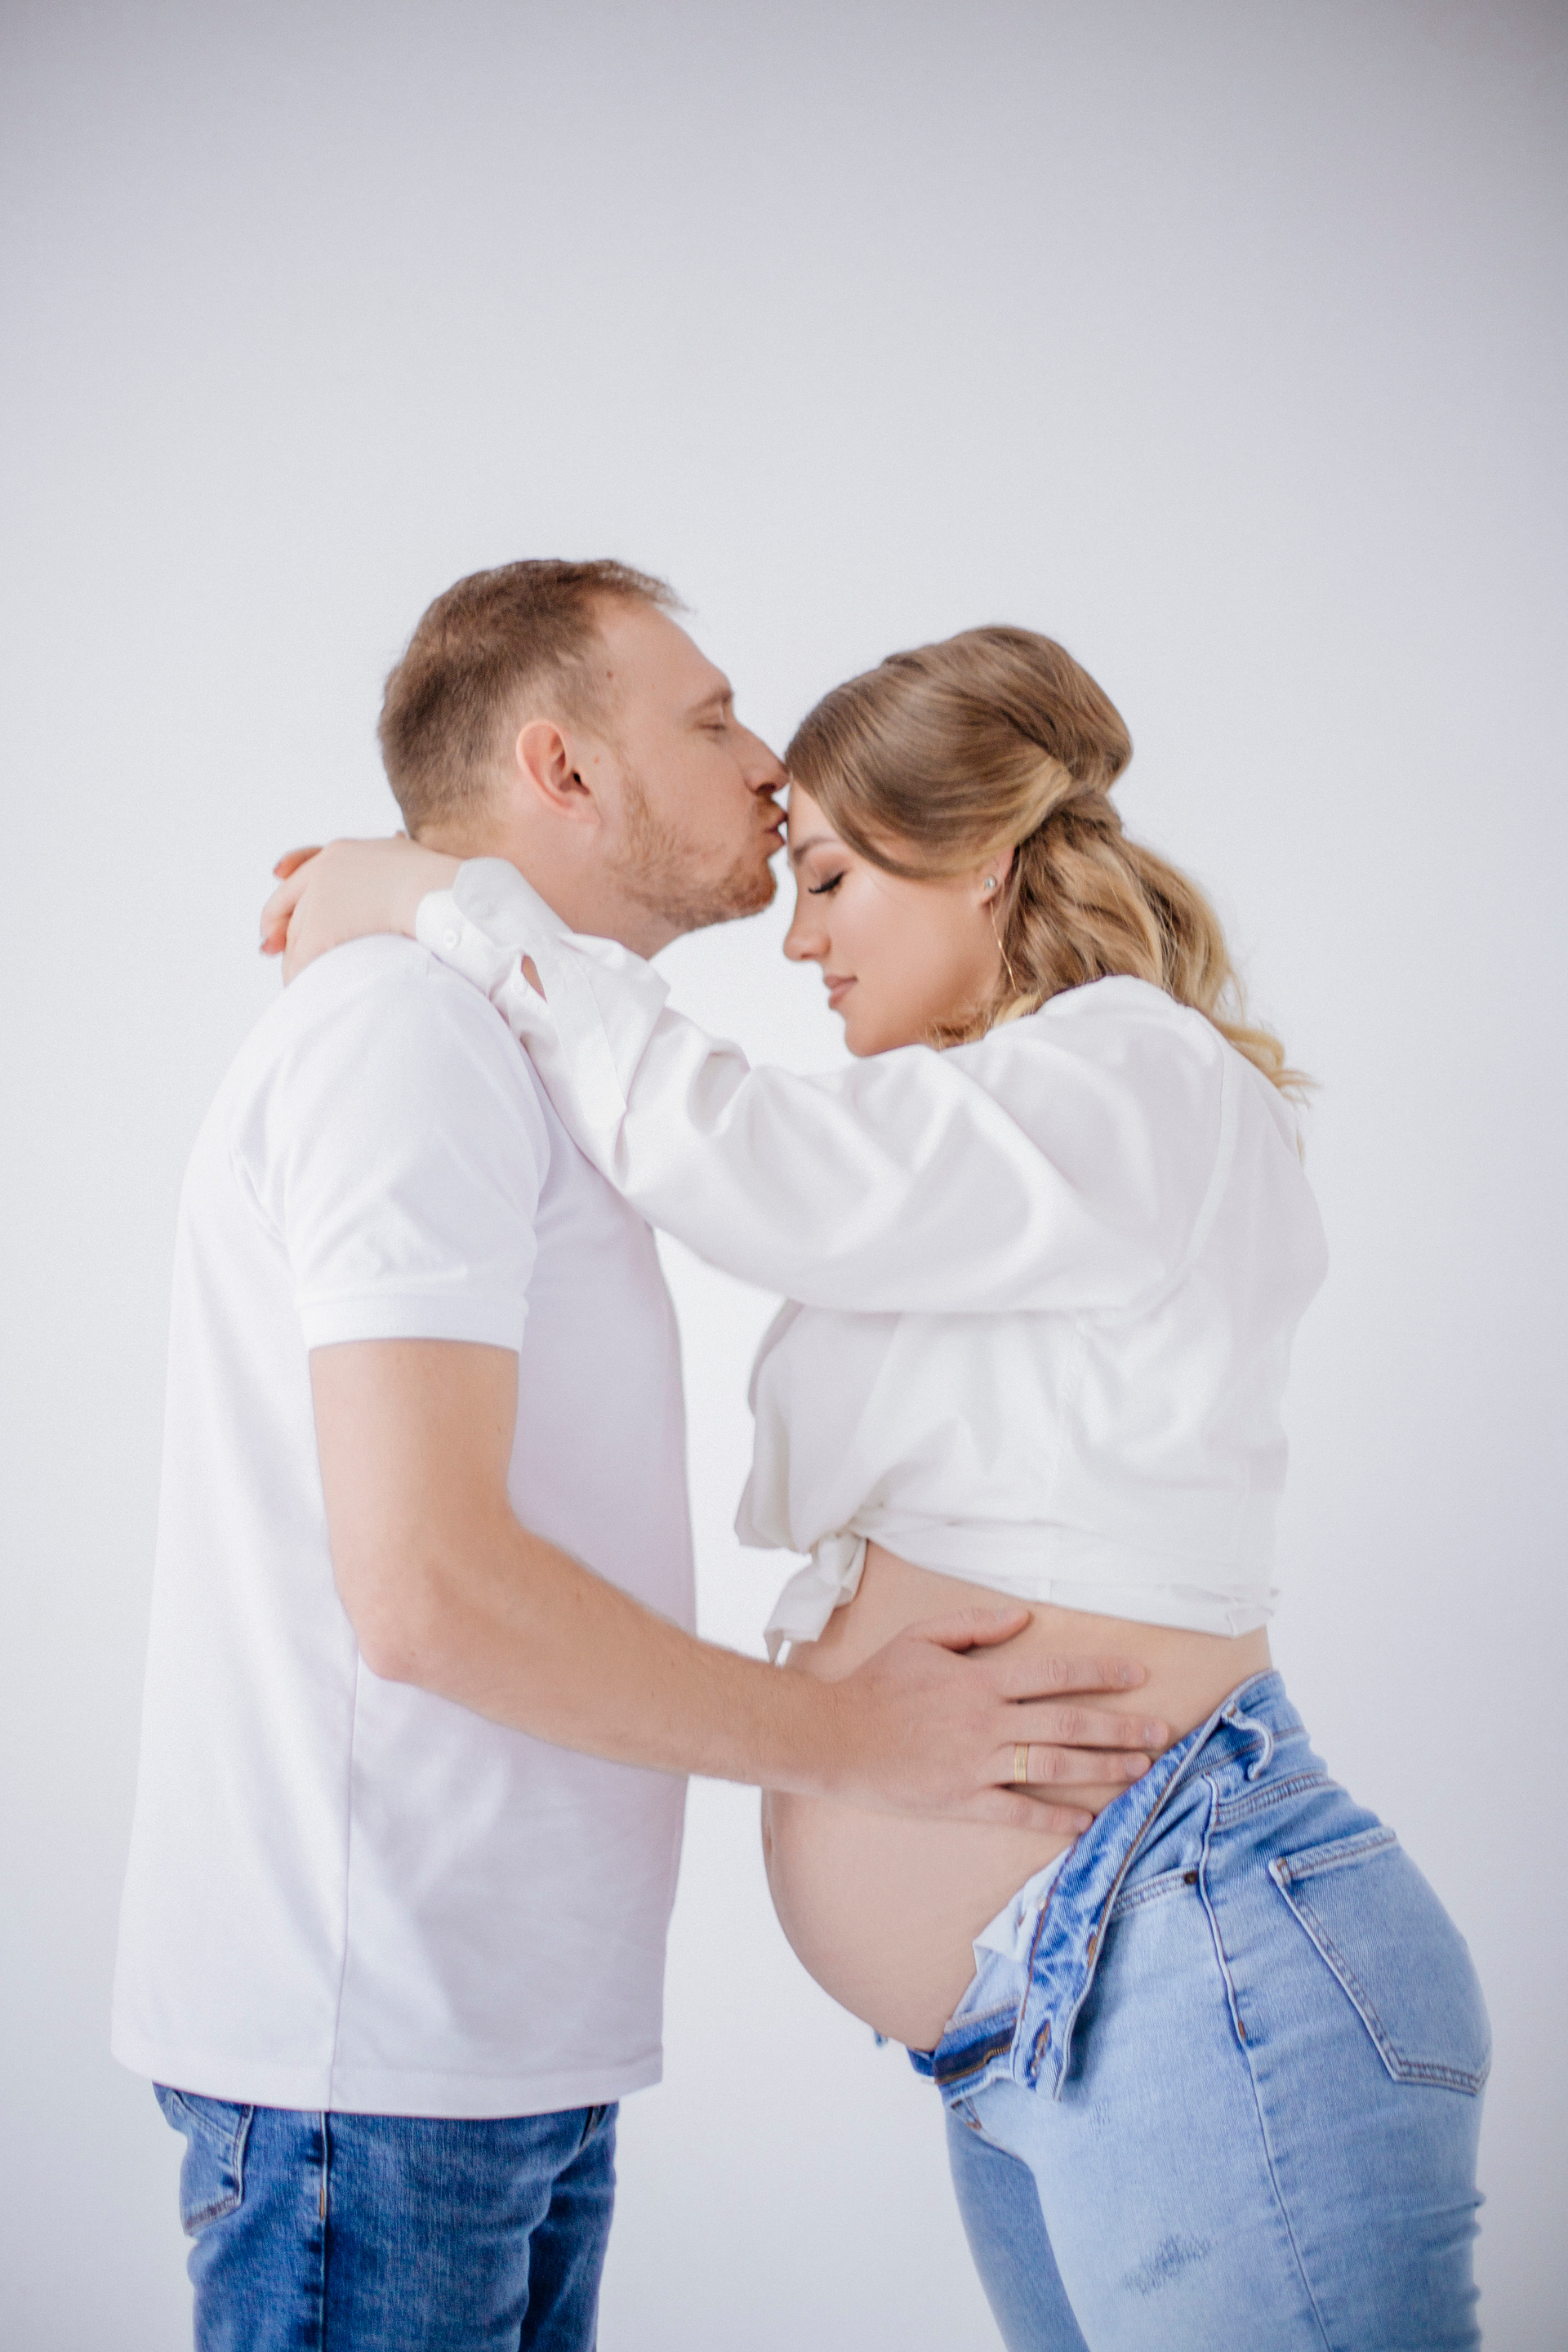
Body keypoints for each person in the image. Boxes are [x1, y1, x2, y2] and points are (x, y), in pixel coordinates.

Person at [270, 616, 1492, 2350]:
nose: (799, 936)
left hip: (1197, 1950)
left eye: (834, 878)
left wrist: (451, 906)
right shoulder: (1000, 1124)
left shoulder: (1137, 1072)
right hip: (1056, 2010)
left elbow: (740, 1158)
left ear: (983, 857)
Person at [118, 560, 1160, 2352]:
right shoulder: (406, 1038)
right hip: (375, 2069)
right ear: (564, 770)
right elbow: (428, 1592)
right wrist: (866, 1741)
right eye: (714, 718)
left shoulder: (512, 1046)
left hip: (475, 2057)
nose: (769, 766)